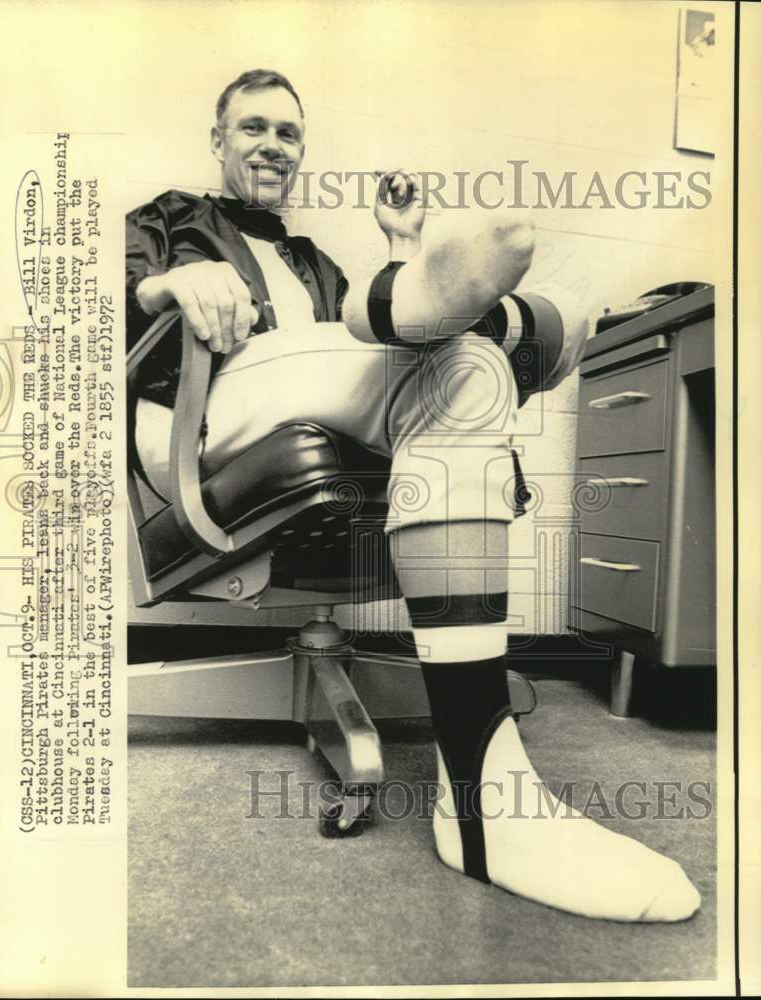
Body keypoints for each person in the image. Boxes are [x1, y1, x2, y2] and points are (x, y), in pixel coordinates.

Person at [126, 68, 700, 923]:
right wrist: (171, 284)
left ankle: (480, 798)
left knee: (458, 369)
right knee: (432, 339)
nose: (271, 145)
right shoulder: (171, 220)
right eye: (253, 128)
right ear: (219, 141)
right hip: (210, 418)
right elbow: (115, 310)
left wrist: (398, 240)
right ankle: (504, 326)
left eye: (287, 132)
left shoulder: (312, 261)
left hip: (315, 388)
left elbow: (375, 380)